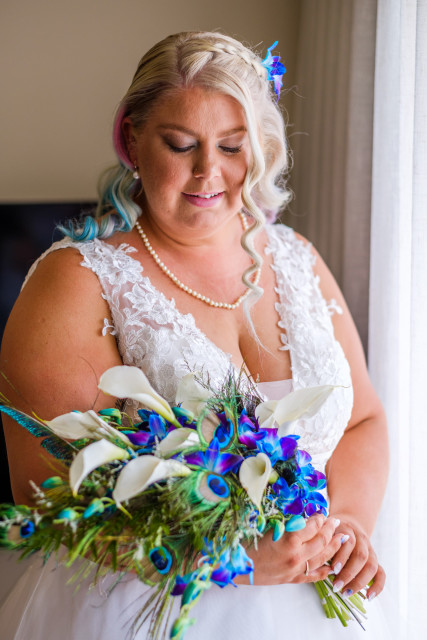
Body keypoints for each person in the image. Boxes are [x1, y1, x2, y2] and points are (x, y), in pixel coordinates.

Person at [0, 31, 389, 639]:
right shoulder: (76, 282)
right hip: (144, 613)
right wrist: (223, 559)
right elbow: (46, 501)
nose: (209, 171)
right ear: (131, 138)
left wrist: (347, 525)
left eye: (232, 146)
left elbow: (362, 419)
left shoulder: (297, 258)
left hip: (312, 607)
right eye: (181, 144)